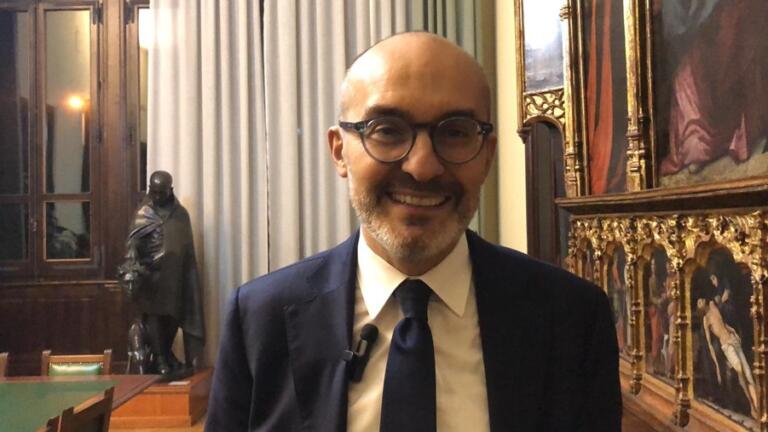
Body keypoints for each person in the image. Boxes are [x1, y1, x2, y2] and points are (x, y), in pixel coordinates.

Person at [206, 32, 621, 431]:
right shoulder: (260, 320)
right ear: (339, 151)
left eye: (455, 132)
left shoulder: (573, 321)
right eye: (387, 130)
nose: (422, 167)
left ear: (487, 155)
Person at [119, 170, 206, 375]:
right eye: (154, 192)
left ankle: (167, 354)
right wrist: (132, 264)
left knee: (174, 317)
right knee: (155, 318)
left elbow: (186, 249)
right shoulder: (143, 214)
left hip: (175, 277)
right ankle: (159, 360)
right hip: (152, 279)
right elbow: (132, 244)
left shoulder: (181, 214)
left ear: (170, 190)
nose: (157, 196)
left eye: (161, 192)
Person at [698, 298, 757, 418]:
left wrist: (733, 331)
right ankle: (751, 404)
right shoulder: (706, 319)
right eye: (699, 303)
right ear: (700, 309)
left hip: (733, 340)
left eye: (701, 300)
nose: (701, 301)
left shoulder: (713, 306)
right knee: (740, 370)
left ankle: (756, 407)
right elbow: (710, 345)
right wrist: (717, 366)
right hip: (727, 346)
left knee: (748, 375)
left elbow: (723, 323)